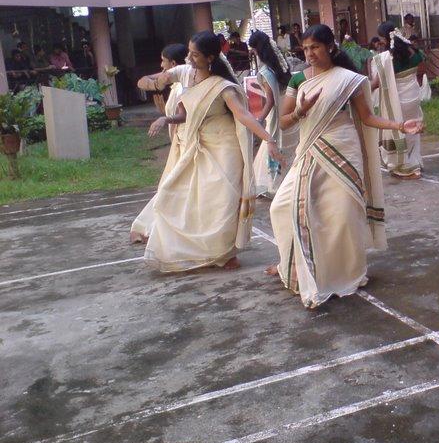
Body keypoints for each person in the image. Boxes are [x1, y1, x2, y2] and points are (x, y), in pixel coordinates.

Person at [268, 24, 422, 308]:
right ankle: (292, 263)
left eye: (315, 47)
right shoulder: (299, 79)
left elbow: (366, 117)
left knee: (341, 214)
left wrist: (400, 125)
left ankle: (344, 273)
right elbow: (284, 120)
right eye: (305, 48)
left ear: (330, 46)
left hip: (342, 146)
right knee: (281, 207)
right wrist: (302, 111)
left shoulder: (348, 79)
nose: (310, 53)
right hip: (310, 148)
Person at [130, 31, 282, 271]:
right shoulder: (186, 76)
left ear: (210, 57)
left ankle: (225, 253)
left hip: (225, 149)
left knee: (222, 202)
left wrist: (269, 139)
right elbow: (180, 111)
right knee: (190, 197)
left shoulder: (224, 88)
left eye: (195, 55)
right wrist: (161, 103)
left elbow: (243, 116)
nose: (189, 58)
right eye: (189, 52)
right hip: (197, 147)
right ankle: (202, 250)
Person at [372, 21, 426, 179]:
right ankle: (414, 161)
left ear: (384, 39)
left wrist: (360, 89)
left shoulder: (386, 59)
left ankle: (402, 165)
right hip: (414, 96)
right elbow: (421, 69)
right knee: (413, 129)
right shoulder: (413, 51)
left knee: (399, 130)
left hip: (397, 100)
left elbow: (376, 84)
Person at [248, 29, 295, 197]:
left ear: (256, 49)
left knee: (272, 143)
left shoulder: (265, 72)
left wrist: (258, 119)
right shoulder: (279, 66)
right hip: (285, 108)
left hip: (275, 113)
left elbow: (269, 100)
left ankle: (273, 183)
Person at [142, 43, 190, 141]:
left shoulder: (182, 86)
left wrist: (164, 119)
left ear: (173, 64)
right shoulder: (179, 82)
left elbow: (184, 116)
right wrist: (166, 111)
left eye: (163, 61)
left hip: (186, 139)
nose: (161, 65)